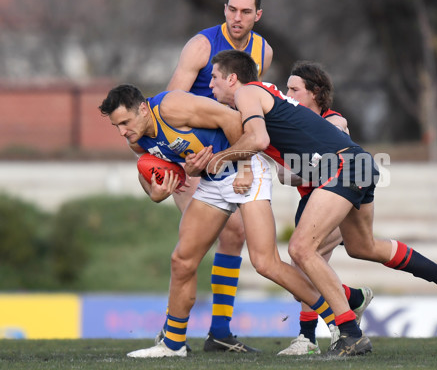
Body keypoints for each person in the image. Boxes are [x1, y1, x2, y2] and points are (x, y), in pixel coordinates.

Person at [207, 50, 437, 357]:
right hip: (356, 165)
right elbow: (264, 147)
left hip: (342, 167)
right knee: (362, 246)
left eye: (214, 78)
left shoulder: (247, 92)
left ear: (232, 78)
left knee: (301, 250)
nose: (210, 85)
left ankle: (349, 332)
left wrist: (219, 159)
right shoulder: (257, 101)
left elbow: (257, 139)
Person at [99, 84, 355, 358]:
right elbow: (145, 167)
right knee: (182, 260)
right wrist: (154, 193)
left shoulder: (171, 107)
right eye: (117, 126)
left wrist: (244, 167)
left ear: (142, 108)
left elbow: (233, 119)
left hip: (245, 171)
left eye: (125, 122)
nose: (122, 131)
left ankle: (337, 320)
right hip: (213, 180)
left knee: (265, 263)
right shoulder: (135, 137)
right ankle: (172, 344)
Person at [156, 0, 274, 353]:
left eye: (245, 12)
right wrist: (184, 160)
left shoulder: (262, 50)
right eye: (231, 10)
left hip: (228, 157)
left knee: (234, 234)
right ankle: (172, 334)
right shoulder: (202, 46)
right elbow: (171, 106)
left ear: (258, 15)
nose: (236, 18)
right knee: (193, 249)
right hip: (191, 159)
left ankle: (218, 332)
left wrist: (241, 160)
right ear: (224, 9)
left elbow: (246, 108)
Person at [276, 61, 372, 356]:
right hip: (310, 200)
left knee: (306, 264)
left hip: (333, 199)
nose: (286, 93)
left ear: (315, 93)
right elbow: (283, 175)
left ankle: (329, 331)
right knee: (300, 278)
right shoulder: (290, 124)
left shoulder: (333, 120)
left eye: (293, 89)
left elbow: (335, 146)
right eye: (286, 88)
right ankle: (352, 299)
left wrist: (306, 168)